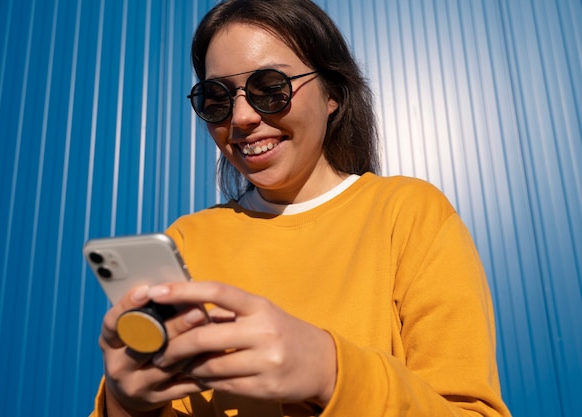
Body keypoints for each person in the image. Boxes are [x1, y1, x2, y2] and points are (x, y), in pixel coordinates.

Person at [91, 0, 512, 416]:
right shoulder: (187, 240)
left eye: (271, 88)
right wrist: (125, 405)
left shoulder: (409, 216)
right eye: (215, 97)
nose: (240, 118)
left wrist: (330, 372)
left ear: (333, 93)